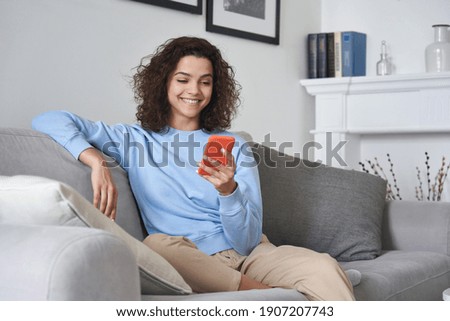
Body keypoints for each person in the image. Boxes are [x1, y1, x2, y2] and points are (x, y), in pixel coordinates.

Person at [32, 36, 354, 301]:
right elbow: (49, 119)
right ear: (164, 83)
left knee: (324, 268)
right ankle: (262, 295)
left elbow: (247, 242)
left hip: (252, 256)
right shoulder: (133, 140)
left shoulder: (233, 145)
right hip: (188, 258)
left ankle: (259, 291)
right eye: (183, 79)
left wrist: (229, 192)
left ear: (215, 89)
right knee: (156, 246)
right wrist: (95, 159)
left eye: (205, 82)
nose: (194, 91)